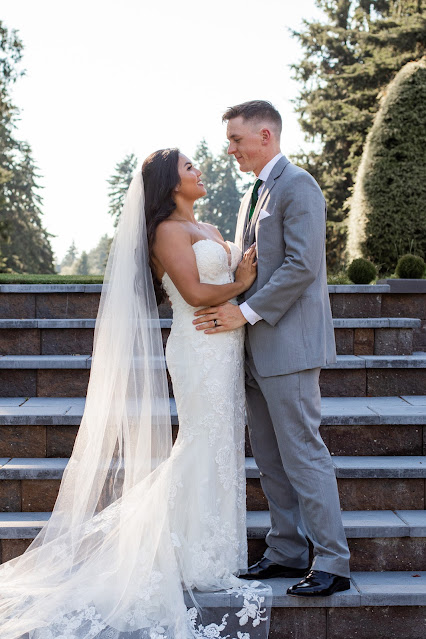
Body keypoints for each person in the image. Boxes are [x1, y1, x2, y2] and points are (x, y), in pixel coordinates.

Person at [0, 149, 271, 638]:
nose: (199, 170)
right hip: (199, 346)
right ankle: (181, 550)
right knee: (201, 443)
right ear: (170, 182)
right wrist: (242, 281)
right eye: (190, 167)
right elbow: (192, 293)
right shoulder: (169, 231)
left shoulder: (207, 226)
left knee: (223, 446)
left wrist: (240, 284)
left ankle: (211, 548)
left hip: (227, 348)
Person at [193, 100, 351, 597]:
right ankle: (286, 552)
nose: (230, 148)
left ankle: (333, 562)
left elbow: (302, 266)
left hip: (288, 345)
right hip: (253, 349)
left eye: (236, 139)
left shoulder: (299, 185)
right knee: (268, 455)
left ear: (266, 135)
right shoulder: (252, 195)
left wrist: (245, 311)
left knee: (303, 453)